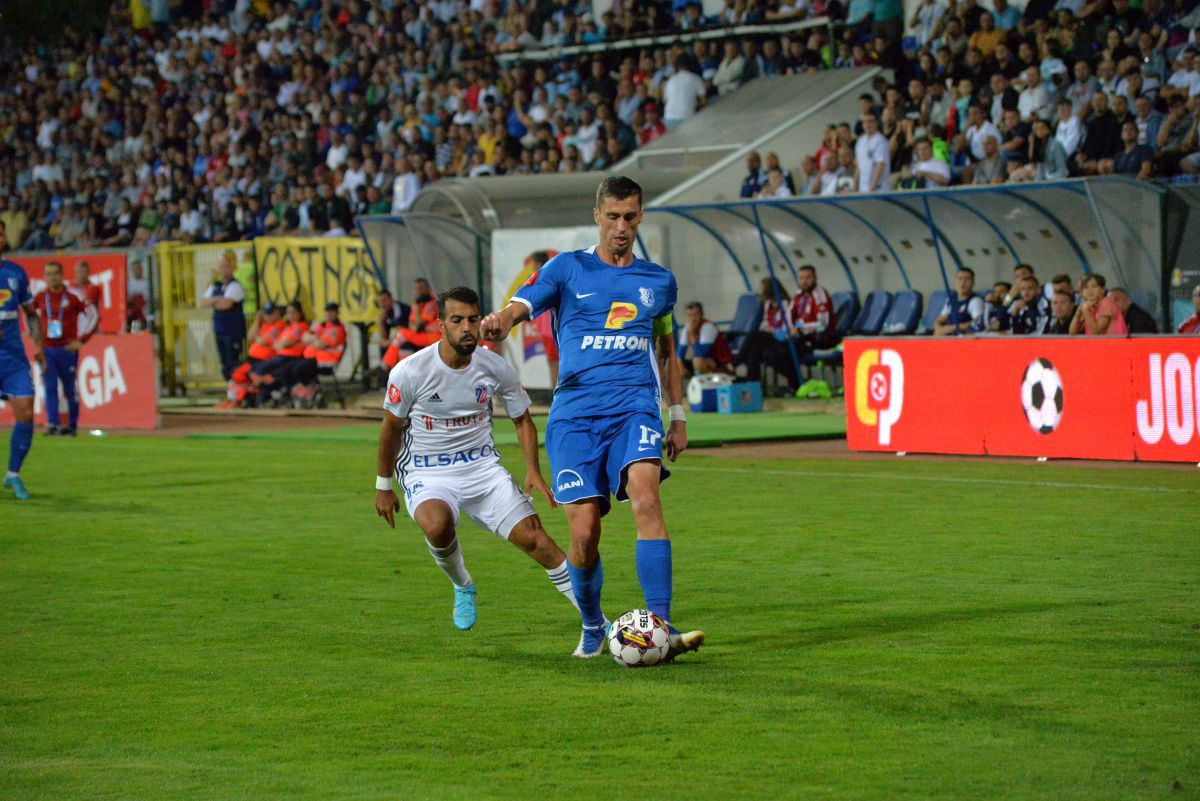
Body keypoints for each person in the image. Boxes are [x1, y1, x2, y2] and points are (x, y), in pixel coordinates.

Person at [478, 176, 704, 661]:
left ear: (640, 217)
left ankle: (661, 627)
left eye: (630, 217)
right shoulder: (567, 268)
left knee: (646, 498)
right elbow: (521, 305)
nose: (622, 227)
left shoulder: (658, 282)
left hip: (634, 408)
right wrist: (501, 319)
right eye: (613, 216)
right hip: (575, 416)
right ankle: (591, 624)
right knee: (583, 533)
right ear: (597, 215)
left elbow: (667, 351)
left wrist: (678, 415)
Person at [374, 286, 583, 633]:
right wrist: (383, 486)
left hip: (482, 469)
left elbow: (522, 419)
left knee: (538, 540)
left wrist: (532, 469)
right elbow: (391, 428)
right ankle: (463, 584)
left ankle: (597, 622)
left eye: (473, 319)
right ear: (441, 324)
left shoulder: (494, 367)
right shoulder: (410, 371)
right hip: (427, 472)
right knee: (437, 525)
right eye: (457, 320)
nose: (467, 328)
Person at [0, 223, 45, 500]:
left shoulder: (15, 272)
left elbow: (30, 313)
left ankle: (13, 475)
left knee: (26, 412)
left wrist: (38, 344)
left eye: (1, 233)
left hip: (13, 358)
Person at [32, 262, 98, 436]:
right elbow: (29, 316)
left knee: (70, 389)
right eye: (48, 274)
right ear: (44, 276)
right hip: (47, 350)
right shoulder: (40, 296)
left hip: (67, 349)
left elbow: (94, 315)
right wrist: (37, 342)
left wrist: (81, 341)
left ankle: (72, 425)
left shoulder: (73, 295)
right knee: (50, 387)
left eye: (55, 273)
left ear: (62, 275)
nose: (52, 277)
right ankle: (52, 424)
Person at [219, 303, 284, 408]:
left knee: (237, 373)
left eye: (271, 314)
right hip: (252, 358)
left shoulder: (279, 325)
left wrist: (257, 336)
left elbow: (262, 341)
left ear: (277, 313)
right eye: (266, 314)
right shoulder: (264, 325)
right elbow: (250, 337)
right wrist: (257, 320)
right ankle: (232, 398)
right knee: (227, 369)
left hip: (262, 360)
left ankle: (239, 399)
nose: (268, 317)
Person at [286, 302, 348, 402]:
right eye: (327, 311)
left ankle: (311, 393)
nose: (329, 314)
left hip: (325, 362)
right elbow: (304, 337)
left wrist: (313, 339)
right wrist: (315, 339)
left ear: (337, 313)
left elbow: (320, 344)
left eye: (332, 311)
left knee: (298, 370)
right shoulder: (321, 325)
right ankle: (308, 393)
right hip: (312, 359)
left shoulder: (338, 329)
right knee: (287, 369)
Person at [200, 251, 247, 381]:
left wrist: (213, 301)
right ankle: (231, 388)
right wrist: (218, 299)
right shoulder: (216, 285)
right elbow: (203, 302)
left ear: (233, 268)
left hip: (233, 331)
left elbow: (226, 305)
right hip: (219, 330)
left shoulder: (235, 285)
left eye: (227, 266)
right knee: (225, 363)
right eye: (221, 266)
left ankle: (237, 388)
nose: (223, 270)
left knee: (233, 362)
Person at [518, 251, 561, 388]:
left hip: (550, 328)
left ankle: (557, 393)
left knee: (555, 362)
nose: (531, 267)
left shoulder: (544, 279)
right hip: (547, 328)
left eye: (533, 263)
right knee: (553, 362)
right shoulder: (542, 278)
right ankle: (556, 391)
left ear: (538, 263)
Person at [382, 278, 441, 369]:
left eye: (421, 288)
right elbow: (411, 324)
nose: (419, 291)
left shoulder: (432, 301)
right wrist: (415, 326)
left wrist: (417, 313)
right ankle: (390, 365)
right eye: (416, 288)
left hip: (435, 336)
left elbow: (420, 323)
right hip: (422, 334)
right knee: (402, 336)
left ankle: (388, 365)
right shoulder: (417, 302)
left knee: (401, 337)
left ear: (427, 288)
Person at [676, 301, 733, 379]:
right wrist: (679, 363)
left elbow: (701, 353)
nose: (692, 319)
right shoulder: (687, 328)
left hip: (721, 362)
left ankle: (711, 383)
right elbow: (680, 352)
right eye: (689, 315)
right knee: (675, 363)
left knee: (698, 361)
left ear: (701, 315)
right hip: (705, 360)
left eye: (695, 315)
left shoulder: (707, 327)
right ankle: (694, 382)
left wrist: (692, 334)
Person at [934, 267, 986, 335]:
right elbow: (940, 320)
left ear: (973, 283)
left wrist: (952, 328)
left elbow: (979, 323)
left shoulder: (975, 301)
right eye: (960, 278)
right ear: (955, 281)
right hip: (948, 336)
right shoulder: (951, 299)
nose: (963, 283)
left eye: (967, 279)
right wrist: (938, 329)